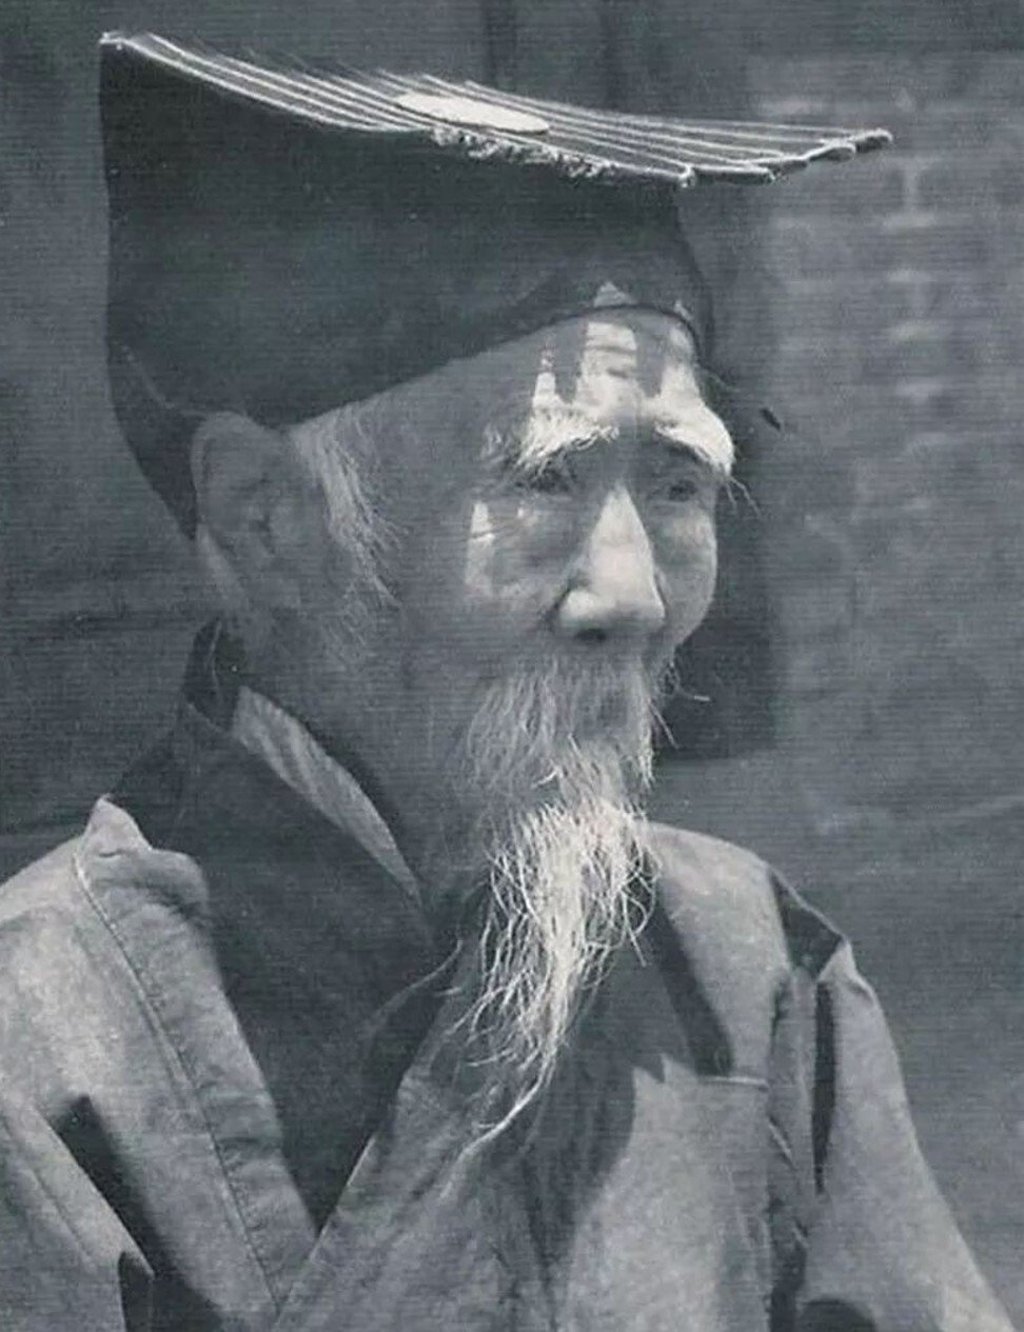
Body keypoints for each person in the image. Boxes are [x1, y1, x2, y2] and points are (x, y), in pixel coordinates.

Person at [0, 31, 1013, 1332]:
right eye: (545, 482)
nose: (636, 594)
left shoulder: (749, 961)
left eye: (679, 486)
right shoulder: (43, 1052)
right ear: (262, 516)